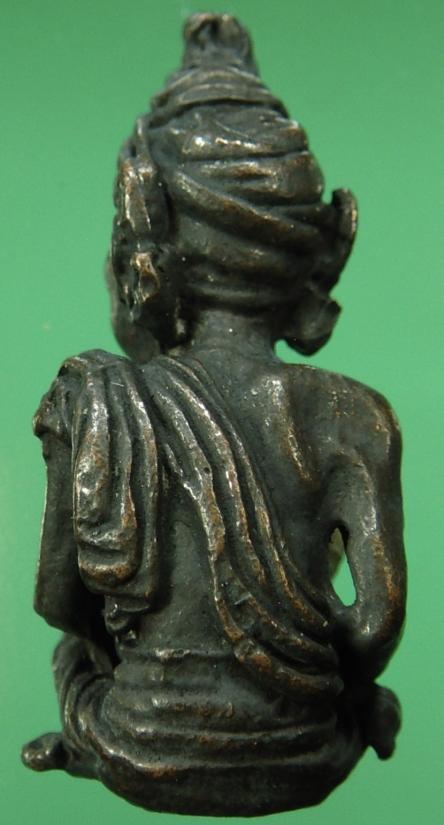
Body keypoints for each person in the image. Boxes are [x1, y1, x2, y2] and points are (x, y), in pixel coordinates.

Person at [22, 13, 406, 816]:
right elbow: (374, 625)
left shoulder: (93, 400)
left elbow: (61, 600)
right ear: (312, 254)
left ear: (143, 248)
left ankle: (85, 738)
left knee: (72, 658)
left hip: (142, 742)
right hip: (306, 751)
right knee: (358, 698)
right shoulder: (356, 415)